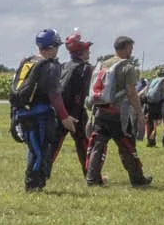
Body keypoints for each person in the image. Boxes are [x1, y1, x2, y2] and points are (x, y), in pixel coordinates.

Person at [83, 36, 150, 187]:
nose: (131, 52)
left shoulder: (103, 64)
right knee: (127, 146)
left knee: (97, 146)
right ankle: (137, 179)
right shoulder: (127, 67)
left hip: (100, 111)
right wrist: (139, 113)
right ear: (125, 48)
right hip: (119, 114)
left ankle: (92, 179)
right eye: (130, 49)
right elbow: (131, 92)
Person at [11, 30, 68, 190]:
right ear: (54, 46)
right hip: (40, 114)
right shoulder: (50, 66)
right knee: (40, 150)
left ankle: (35, 181)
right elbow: (54, 94)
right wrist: (64, 117)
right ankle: (33, 183)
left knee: (34, 148)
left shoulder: (27, 62)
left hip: (23, 112)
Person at [58, 31, 95, 176]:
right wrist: (74, 115)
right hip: (76, 112)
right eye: (87, 50)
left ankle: (42, 173)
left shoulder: (64, 66)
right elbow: (82, 93)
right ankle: (91, 173)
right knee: (84, 144)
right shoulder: (85, 68)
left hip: (61, 110)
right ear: (81, 52)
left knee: (54, 144)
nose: (89, 53)